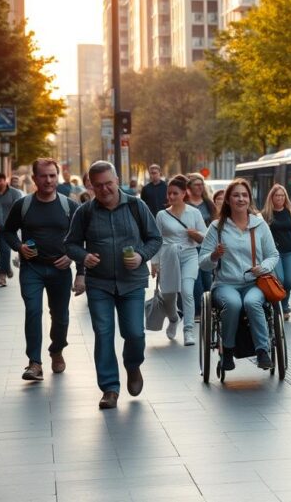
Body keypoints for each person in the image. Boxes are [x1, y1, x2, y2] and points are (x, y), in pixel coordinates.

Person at [65, 161, 162, 409]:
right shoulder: (85, 212)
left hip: (132, 283)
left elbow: (155, 238)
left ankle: (132, 366)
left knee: (134, 333)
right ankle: (109, 388)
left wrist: (141, 256)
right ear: (91, 186)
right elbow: (71, 244)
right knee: (104, 333)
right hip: (100, 284)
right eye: (98, 186)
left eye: (109, 183)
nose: (105, 189)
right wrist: (83, 257)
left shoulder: (136, 206)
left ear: (117, 180)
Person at [2, 159, 86, 381]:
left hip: (60, 270)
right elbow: (9, 232)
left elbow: (82, 241)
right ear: (34, 178)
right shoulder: (24, 205)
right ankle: (34, 363)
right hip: (32, 269)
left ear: (57, 176)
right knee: (33, 311)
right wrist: (18, 246)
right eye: (43, 176)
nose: (48, 180)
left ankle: (56, 349)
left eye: (52, 175)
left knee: (61, 317)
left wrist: (77, 267)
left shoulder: (70, 206)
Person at [199, 179, 279, 371]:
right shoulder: (217, 227)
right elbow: (202, 262)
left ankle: (262, 351)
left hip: (254, 282)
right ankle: (227, 351)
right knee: (233, 304)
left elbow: (273, 255)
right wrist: (214, 256)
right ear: (228, 200)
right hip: (225, 283)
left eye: (244, 195)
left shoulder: (259, 225)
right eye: (236, 195)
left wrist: (264, 267)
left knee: (252, 302)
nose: (241, 199)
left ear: (249, 199)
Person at [151, 175, 206, 346]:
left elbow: (205, 236)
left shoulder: (194, 213)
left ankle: (188, 330)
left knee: (187, 292)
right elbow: (156, 239)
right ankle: (174, 318)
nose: (171, 197)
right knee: (169, 295)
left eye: (175, 193)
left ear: (184, 194)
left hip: (189, 255)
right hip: (168, 256)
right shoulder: (161, 215)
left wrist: (195, 234)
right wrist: (154, 262)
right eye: (169, 194)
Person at [262, 184, 291, 320]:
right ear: (272, 197)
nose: (280, 198)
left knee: (289, 282)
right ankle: (278, 307)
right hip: (273, 253)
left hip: (289, 251)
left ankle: (284, 305)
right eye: (277, 195)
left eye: (282, 195)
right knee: (279, 279)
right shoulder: (265, 214)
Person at [186, 173, 216, 323]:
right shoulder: (185, 204)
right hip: (191, 247)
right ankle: (199, 310)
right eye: (196, 185)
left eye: (201, 184)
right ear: (190, 187)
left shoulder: (208, 204)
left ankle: (209, 307)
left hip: (207, 245)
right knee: (196, 279)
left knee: (207, 278)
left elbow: (216, 222)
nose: (199, 187)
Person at [0, 172, 19, 287]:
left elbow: (18, 209)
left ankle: (2, 275)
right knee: (5, 254)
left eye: (0, 180)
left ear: (5, 181)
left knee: (5, 251)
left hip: (7, 228)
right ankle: (8, 268)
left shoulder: (14, 193)